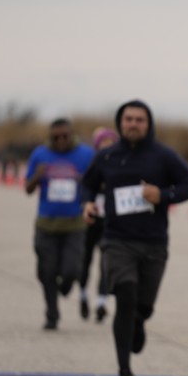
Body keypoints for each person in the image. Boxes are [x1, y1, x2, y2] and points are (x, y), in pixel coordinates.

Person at [81, 101, 188, 376]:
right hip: (117, 240)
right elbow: (87, 184)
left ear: (149, 124)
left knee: (143, 306)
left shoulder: (163, 156)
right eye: (128, 119)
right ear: (120, 123)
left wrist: (163, 194)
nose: (133, 124)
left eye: (139, 119)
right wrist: (87, 203)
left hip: (154, 243)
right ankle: (124, 372)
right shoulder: (107, 156)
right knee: (125, 296)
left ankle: (139, 320)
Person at [25, 119, 95, 330]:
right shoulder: (40, 154)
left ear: (72, 134)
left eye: (65, 136)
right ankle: (52, 314)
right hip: (46, 224)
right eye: (56, 137)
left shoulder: (86, 155)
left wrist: (85, 181)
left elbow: (97, 183)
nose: (61, 140)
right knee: (46, 272)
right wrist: (38, 175)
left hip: (75, 225)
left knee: (71, 270)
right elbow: (28, 189)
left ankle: (65, 286)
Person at [78, 126, 118, 322]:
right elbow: (84, 187)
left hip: (108, 222)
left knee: (105, 264)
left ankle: (102, 302)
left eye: (110, 143)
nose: (107, 147)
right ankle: (83, 295)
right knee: (85, 261)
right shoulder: (92, 165)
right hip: (90, 221)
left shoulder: (119, 166)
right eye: (103, 143)